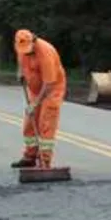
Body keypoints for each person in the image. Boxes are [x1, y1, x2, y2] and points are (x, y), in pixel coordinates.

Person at [12, 29, 66, 169]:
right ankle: (30, 157)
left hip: (51, 91)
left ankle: (44, 161)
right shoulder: (21, 47)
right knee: (30, 122)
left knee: (45, 124)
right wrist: (20, 73)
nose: (26, 52)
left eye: (28, 50)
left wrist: (35, 104)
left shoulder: (46, 52)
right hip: (35, 89)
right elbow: (21, 60)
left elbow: (49, 84)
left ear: (33, 41)